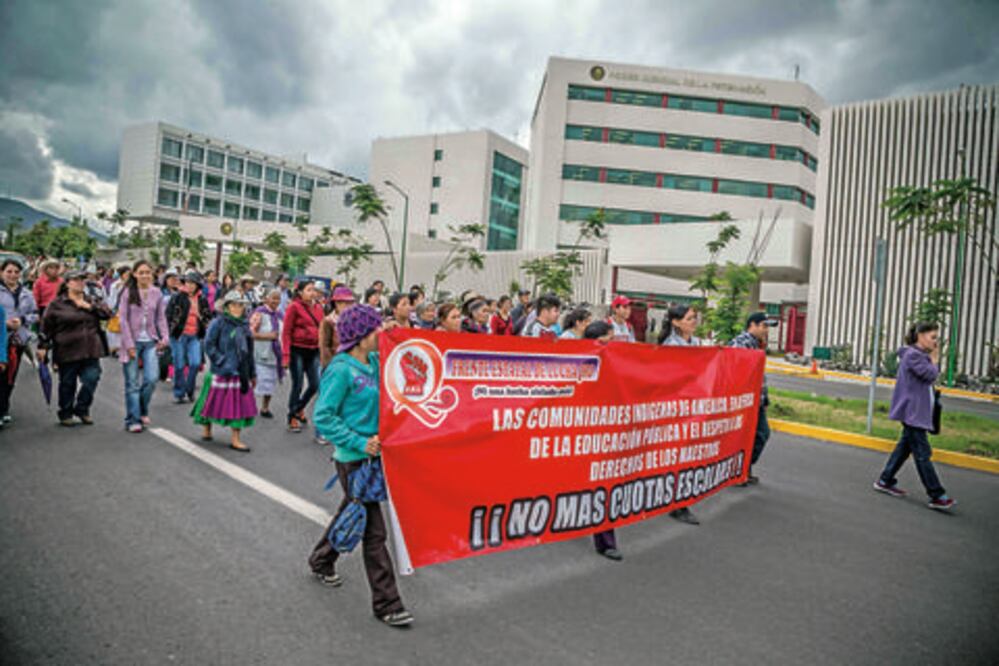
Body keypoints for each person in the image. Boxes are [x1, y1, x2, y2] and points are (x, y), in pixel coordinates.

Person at [308, 304, 413, 628]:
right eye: (375, 329)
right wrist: (358, 441)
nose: (380, 333)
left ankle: (321, 559)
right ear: (360, 335)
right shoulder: (340, 370)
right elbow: (323, 417)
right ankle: (387, 603)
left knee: (350, 510)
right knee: (374, 531)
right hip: (353, 460)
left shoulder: (376, 361)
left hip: (376, 456)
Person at [874, 322, 956, 510]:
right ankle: (937, 495)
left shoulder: (917, 355)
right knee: (922, 454)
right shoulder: (913, 356)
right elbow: (929, 375)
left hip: (916, 412)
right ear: (920, 335)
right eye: (933, 337)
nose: (936, 342)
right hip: (913, 413)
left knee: (904, 448)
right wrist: (935, 360)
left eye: (937, 338)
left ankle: (885, 480)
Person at [38, 270, 112, 426]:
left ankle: (82, 408)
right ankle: (65, 412)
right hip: (67, 349)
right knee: (67, 383)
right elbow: (46, 326)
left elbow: (107, 314)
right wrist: (43, 346)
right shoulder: (57, 304)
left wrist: (89, 307)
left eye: (82, 280)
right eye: (76, 280)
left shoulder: (91, 299)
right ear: (67, 283)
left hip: (91, 348)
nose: (80, 283)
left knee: (92, 377)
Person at [192, 291, 256, 452]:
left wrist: (252, 373)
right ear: (227, 306)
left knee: (238, 406)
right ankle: (206, 428)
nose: (238, 308)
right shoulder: (218, 323)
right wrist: (222, 361)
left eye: (240, 305)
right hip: (221, 371)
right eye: (234, 304)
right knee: (211, 401)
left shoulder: (244, 325)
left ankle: (235, 438)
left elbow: (249, 351)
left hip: (239, 372)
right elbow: (209, 344)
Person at [659, 304, 704, 526]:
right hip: (675, 406)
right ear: (676, 322)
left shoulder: (695, 343)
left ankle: (676, 497)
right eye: (689, 319)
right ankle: (678, 502)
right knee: (678, 454)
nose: (694, 322)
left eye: (695, 318)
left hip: (692, 403)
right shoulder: (670, 346)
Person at [582, 321, 622, 560]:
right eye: (610, 338)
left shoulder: (616, 361)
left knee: (603, 484)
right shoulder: (580, 360)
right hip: (581, 430)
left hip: (604, 432)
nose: (614, 343)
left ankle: (605, 540)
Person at [118, 260, 169, 433]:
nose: (145, 275)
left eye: (148, 272)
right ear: (134, 274)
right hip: (131, 342)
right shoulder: (127, 292)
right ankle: (133, 420)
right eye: (141, 272)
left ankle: (140, 409)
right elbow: (122, 320)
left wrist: (165, 337)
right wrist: (130, 344)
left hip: (151, 342)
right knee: (132, 383)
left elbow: (161, 318)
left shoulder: (157, 293)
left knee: (151, 378)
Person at [729, 312, 776, 484]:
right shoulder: (740, 344)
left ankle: (742, 469)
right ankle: (738, 471)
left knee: (760, 434)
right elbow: (734, 372)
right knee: (747, 436)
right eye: (763, 326)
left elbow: (759, 376)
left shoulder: (757, 345)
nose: (766, 330)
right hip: (744, 400)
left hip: (756, 400)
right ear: (752, 325)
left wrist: (764, 399)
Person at [0, 258, 38, 426]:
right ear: (2, 272)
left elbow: (35, 314)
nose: (13, 275)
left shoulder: (27, 293)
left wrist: (22, 320)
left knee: (10, 376)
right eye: (9, 271)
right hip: (1, 337)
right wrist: (4, 323)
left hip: (18, 339)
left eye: (16, 272)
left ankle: (4, 407)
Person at [282, 280, 323, 433]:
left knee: (315, 384)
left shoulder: (319, 307)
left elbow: (322, 328)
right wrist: (285, 356)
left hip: (314, 350)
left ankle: (298, 408)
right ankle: (292, 416)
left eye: (314, 290)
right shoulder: (294, 307)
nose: (312, 293)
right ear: (300, 292)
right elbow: (286, 332)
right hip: (297, 349)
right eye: (309, 290)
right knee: (298, 383)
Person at [166, 272, 212, 404]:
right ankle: (179, 393)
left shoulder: (202, 299)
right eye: (187, 282)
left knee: (195, 363)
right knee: (179, 364)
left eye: (192, 283)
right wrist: (167, 332)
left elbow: (208, 317)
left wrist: (200, 316)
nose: (189, 285)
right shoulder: (177, 297)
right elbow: (168, 315)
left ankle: (189, 390)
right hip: (179, 335)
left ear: (198, 285)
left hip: (195, 336)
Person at [250, 288, 283, 419]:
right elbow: (250, 333)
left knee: (270, 383)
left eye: (278, 298)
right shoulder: (259, 314)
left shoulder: (279, 315)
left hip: (274, 354)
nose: (276, 301)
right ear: (266, 299)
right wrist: (268, 336)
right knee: (257, 382)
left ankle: (265, 408)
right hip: (260, 353)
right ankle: (249, 406)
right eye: (273, 298)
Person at [319, 286, 357, 370]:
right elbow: (324, 346)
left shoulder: (355, 320)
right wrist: (331, 365)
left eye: (350, 303)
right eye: (345, 303)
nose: (348, 306)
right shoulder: (328, 321)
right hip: (335, 364)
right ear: (336, 303)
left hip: (352, 363)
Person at [105, 266, 131, 355]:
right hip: (119, 310)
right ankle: (118, 349)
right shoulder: (115, 285)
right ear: (122, 275)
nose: (129, 276)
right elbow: (112, 300)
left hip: (131, 311)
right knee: (117, 331)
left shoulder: (133, 285)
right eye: (127, 274)